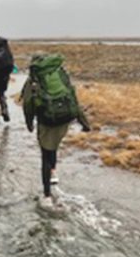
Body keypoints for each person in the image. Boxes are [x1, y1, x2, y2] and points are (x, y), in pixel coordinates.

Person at [21, 54, 91, 208]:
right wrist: (84, 123)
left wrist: (29, 124)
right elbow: (73, 100)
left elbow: (28, 105)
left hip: (46, 121)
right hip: (64, 119)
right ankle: (53, 171)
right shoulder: (61, 74)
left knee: (45, 154)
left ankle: (46, 196)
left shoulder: (33, 81)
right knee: (53, 146)